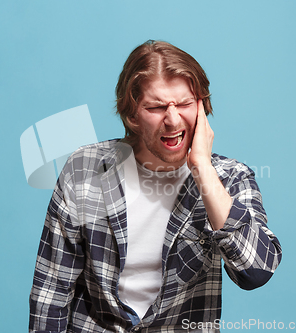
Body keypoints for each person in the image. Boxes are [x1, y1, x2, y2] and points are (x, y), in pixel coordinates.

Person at [29, 40, 282, 332]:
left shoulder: (230, 178)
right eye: (156, 107)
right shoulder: (84, 168)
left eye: (185, 104)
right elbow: (52, 290)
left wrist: (202, 169)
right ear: (132, 114)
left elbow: (256, 272)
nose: (173, 120)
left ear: (202, 107)